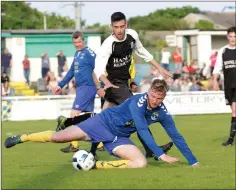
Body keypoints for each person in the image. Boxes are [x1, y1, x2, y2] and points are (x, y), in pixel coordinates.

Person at [5, 79, 199, 169]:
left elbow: (176, 135)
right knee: (57, 138)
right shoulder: (137, 102)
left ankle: (95, 165)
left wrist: (193, 161)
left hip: (118, 138)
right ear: (148, 93)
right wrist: (160, 154)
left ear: (164, 97)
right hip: (100, 123)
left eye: (160, 98)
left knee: (140, 163)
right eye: (153, 96)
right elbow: (141, 128)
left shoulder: (162, 112)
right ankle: (22, 137)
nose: (155, 101)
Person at [59, 12, 173, 156]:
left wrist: (160, 68)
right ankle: (152, 150)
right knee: (138, 112)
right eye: (116, 27)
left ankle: (90, 150)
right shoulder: (107, 45)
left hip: (121, 85)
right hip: (114, 85)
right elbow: (98, 69)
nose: (119, 30)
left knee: (102, 119)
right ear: (111, 26)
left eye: (122, 26)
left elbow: (142, 51)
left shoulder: (132, 35)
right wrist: (106, 84)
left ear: (126, 25)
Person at [52, 31, 99, 152]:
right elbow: (71, 71)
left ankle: (74, 145)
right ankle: (99, 143)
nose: (77, 44)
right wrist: (60, 85)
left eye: (79, 42)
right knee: (88, 118)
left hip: (87, 87)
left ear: (83, 41)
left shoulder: (89, 53)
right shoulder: (77, 54)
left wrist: (101, 86)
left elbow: (99, 68)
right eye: (75, 42)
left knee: (74, 115)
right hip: (81, 88)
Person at [213, 26, 236, 146]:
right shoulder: (223, 51)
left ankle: (231, 140)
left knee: (234, 111)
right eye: (231, 36)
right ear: (227, 37)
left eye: (235, 36)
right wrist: (215, 81)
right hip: (229, 86)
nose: (233, 39)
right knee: (233, 110)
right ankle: (231, 139)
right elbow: (217, 68)